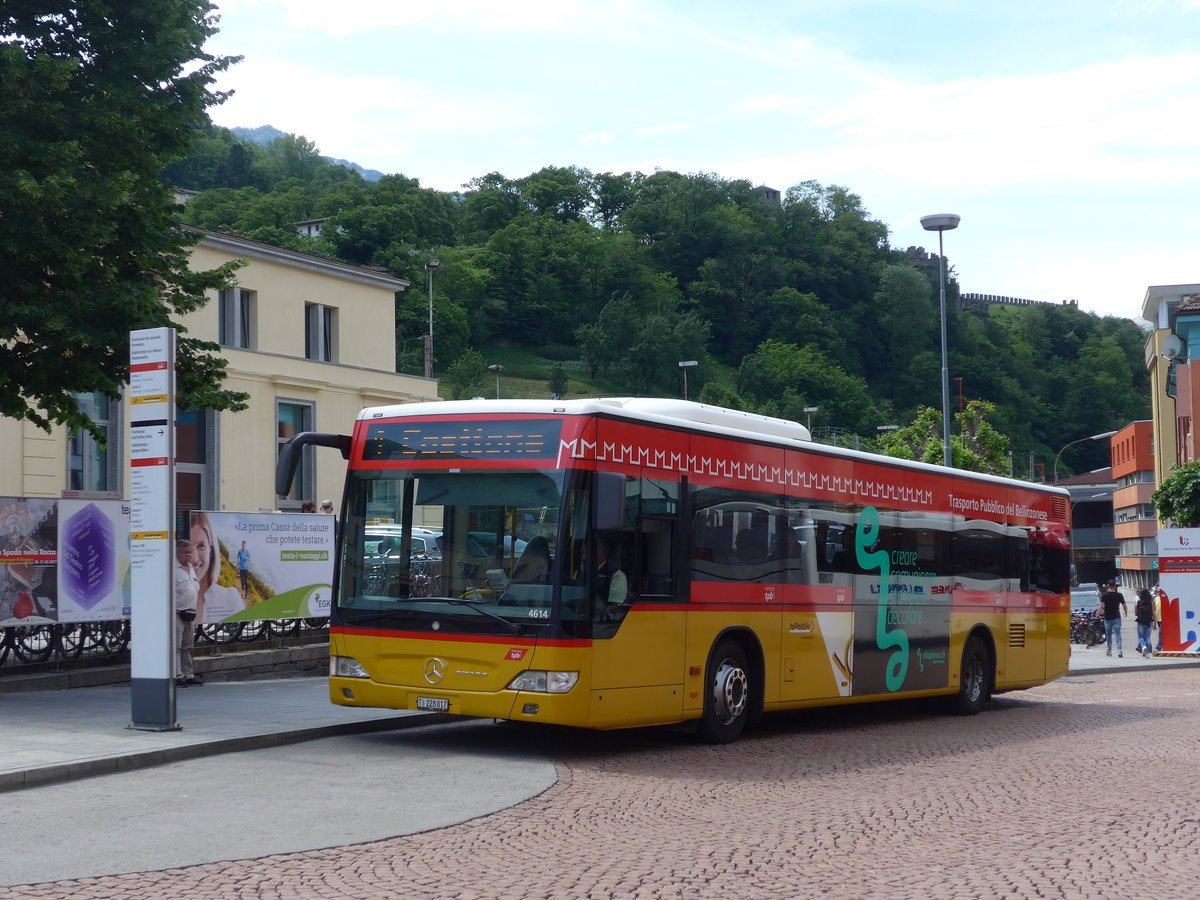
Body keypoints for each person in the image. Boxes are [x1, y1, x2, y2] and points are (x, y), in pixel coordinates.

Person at [190, 511, 248, 623]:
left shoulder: (229, 599)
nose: (195, 558)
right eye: (189, 547)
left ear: (211, 550)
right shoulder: (171, 598)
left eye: (201, 546)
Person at [174, 539, 200, 686]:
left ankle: (189, 674)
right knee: (176, 646)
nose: (189, 555)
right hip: (177, 614)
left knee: (187, 646)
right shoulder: (172, 569)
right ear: (178, 553)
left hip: (190, 613)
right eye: (186, 552)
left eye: (190, 552)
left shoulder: (191, 568)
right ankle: (178, 675)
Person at [1098, 580, 1128, 658]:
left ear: (1108, 585)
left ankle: (1109, 650)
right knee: (1118, 634)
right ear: (1115, 586)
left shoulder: (1104, 595)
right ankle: (1119, 650)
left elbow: (1101, 606)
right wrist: (1126, 612)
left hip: (1107, 618)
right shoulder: (1119, 595)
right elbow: (1124, 605)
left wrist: (1098, 614)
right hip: (1117, 617)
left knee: (1108, 635)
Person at [1134, 588, 1155, 658]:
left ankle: (1143, 646)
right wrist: (1155, 623)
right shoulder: (1151, 603)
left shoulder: (1138, 602)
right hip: (1149, 621)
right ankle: (1148, 653)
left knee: (1141, 636)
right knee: (1147, 637)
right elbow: (1153, 614)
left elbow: (1136, 614)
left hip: (1140, 621)